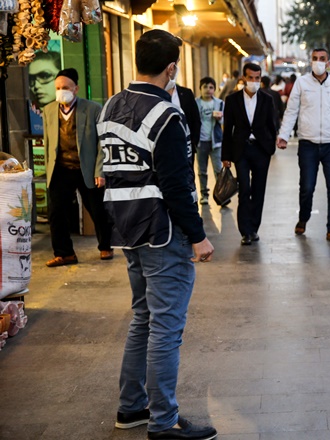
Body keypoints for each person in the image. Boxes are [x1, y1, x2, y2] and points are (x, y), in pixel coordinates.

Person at [98, 29, 216, 440]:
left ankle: (132, 408)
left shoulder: (110, 106)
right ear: (170, 68)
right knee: (165, 329)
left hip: (126, 228)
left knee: (143, 320)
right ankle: (163, 422)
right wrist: (198, 236)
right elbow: (176, 185)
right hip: (163, 233)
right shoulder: (166, 114)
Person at [276, 48, 330, 244]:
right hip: (308, 144)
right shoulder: (302, 83)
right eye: (314, 59)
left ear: (328, 63)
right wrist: (284, 135)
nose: (318, 62)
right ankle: (304, 217)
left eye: (322, 59)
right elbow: (291, 110)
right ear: (310, 61)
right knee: (307, 187)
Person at [43, 68, 113, 267]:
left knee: (97, 209)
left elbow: (102, 142)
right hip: (61, 169)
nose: (61, 91)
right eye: (57, 88)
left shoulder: (92, 109)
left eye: (65, 87)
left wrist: (100, 171)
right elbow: (48, 143)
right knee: (56, 212)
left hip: (87, 168)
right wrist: (48, 172)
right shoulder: (49, 111)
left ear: (76, 89)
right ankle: (65, 253)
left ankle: (106, 246)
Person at [221, 63, 278, 245]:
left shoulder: (267, 99)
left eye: (257, 78)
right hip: (241, 150)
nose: (254, 81)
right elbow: (228, 128)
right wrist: (226, 156)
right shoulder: (232, 100)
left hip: (261, 150)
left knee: (258, 190)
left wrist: (271, 147)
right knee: (244, 189)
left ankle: (254, 228)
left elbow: (272, 124)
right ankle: (245, 231)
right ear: (244, 78)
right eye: (250, 78)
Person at [195, 77, 224, 205]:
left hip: (215, 141)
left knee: (218, 169)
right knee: (202, 170)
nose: (208, 90)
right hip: (201, 141)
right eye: (205, 87)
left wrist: (220, 119)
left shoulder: (219, 103)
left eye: (211, 87)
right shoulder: (196, 103)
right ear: (200, 89)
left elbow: (225, 121)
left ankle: (221, 194)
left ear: (215, 89)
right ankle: (204, 194)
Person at [168, 76, 201, 164]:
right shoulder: (156, 95)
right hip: (166, 146)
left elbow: (195, 119)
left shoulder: (186, 93)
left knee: (188, 174)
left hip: (186, 145)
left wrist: (194, 142)